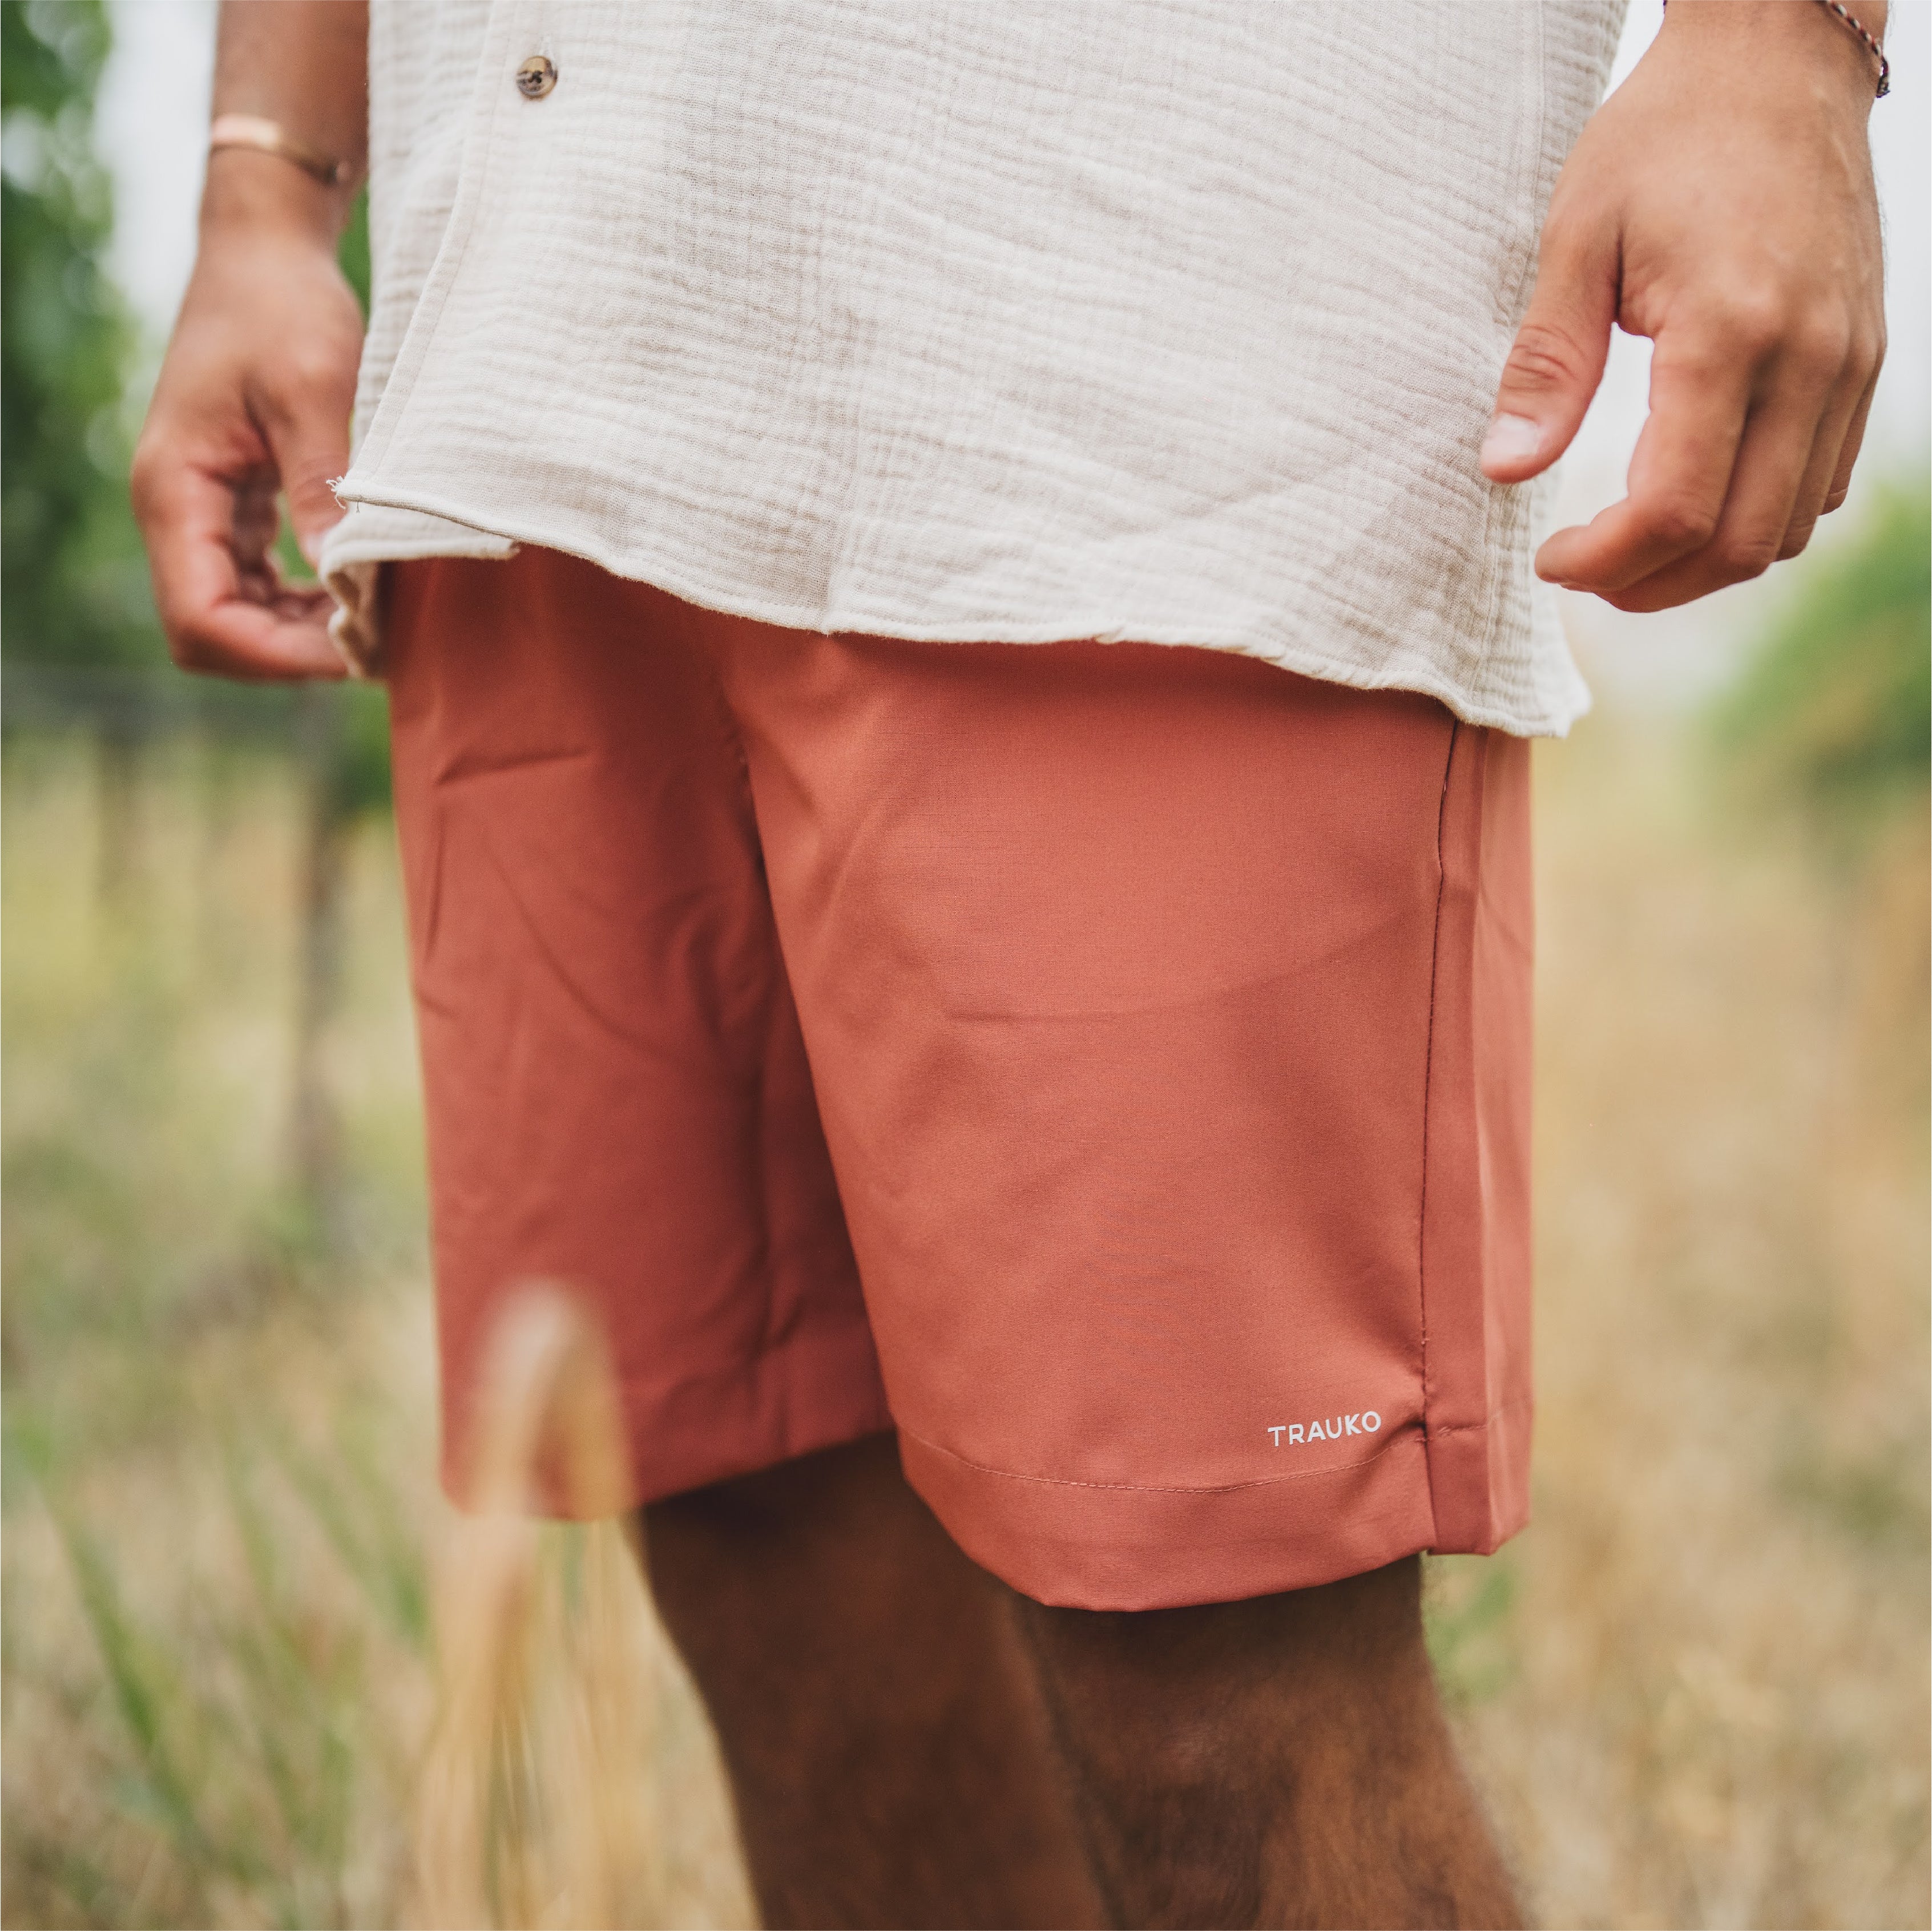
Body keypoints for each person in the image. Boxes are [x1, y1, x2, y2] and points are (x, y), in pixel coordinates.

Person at [131, 2, 1887, 1924]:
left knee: (1212, 1672)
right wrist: (266, 183)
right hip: (527, 333)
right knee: (756, 1526)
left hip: (1148, 347)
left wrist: (1782, 38)